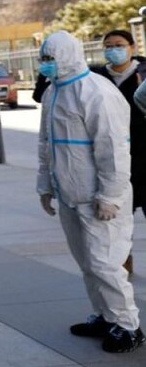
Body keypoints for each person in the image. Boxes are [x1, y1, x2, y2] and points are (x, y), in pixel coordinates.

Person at [35, 31, 144, 353]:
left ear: (68, 56)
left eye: (50, 59)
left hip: (99, 198)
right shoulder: (54, 93)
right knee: (87, 263)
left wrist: (111, 195)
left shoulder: (96, 92)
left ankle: (127, 326)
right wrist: (45, 185)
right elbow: (46, 145)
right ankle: (105, 315)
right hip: (70, 194)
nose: (46, 66)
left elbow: (113, 149)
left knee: (106, 265)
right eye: (44, 59)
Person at [90, 30, 146, 273]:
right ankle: (124, 268)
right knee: (119, 222)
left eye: (119, 45)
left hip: (144, 154)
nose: (113, 49)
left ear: (132, 47)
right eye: (108, 46)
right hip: (116, 160)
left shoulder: (143, 74)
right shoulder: (97, 77)